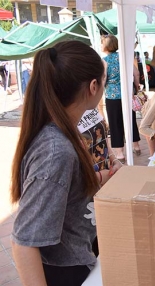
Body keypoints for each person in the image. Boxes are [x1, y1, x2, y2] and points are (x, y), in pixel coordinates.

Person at [10, 41, 109, 285]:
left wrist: (101, 179)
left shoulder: (64, 131)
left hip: (77, 257)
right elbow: (24, 241)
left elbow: (63, 190)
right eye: (103, 81)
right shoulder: (56, 150)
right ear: (93, 86)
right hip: (64, 273)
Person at [102, 34, 141, 161]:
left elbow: (103, 79)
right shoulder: (124, 58)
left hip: (112, 97)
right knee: (130, 120)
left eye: (102, 43)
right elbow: (136, 73)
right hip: (127, 94)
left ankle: (120, 153)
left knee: (115, 123)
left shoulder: (105, 61)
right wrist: (136, 86)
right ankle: (136, 146)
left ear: (107, 46)